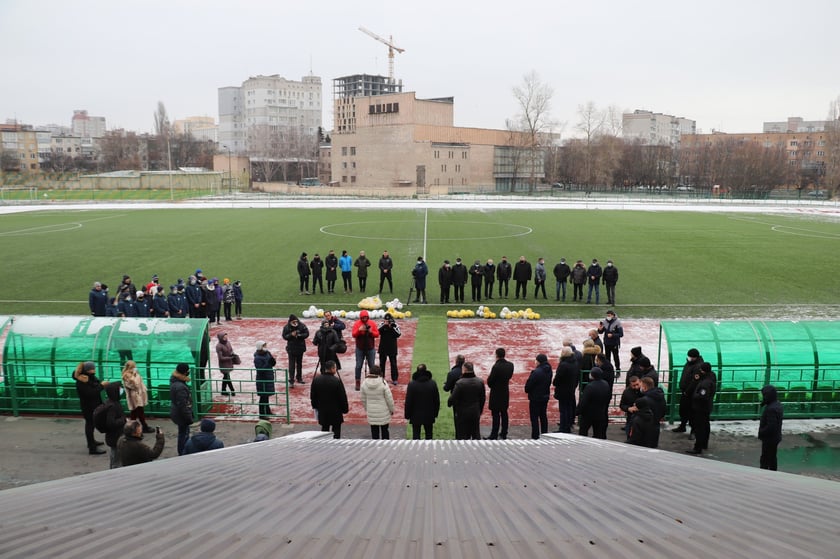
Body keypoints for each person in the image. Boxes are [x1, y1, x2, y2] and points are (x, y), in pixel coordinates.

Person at [73, 361, 107, 455]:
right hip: (88, 406)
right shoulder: (81, 381)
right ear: (88, 370)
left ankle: (91, 442)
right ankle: (92, 448)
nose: (94, 370)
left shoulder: (89, 377)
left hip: (93, 405)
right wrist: (102, 386)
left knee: (91, 425)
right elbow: (90, 393)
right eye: (93, 368)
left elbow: (94, 384)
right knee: (90, 425)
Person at [310, 360, 349, 438]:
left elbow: (313, 396)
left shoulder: (317, 380)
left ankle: (325, 446)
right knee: (336, 431)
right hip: (336, 411)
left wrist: (315, 406)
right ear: (332, 369)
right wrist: (345, 409)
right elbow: (342, 397)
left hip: (323, 410)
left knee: (324, 430)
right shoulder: (337, 381)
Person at [447, 362, 485, 440]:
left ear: (464, 370)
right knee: (475, 434)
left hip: (463, 412)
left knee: (462, 435)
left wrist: (450, 403)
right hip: (475, 411)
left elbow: (452, 398)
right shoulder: (480, 382)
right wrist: (479, 409)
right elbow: (482, 398)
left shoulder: (460, 383)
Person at [686, 362, 717, 455]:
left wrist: (695, 395)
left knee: (700, 428)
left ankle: (698, 447)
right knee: (705, 426)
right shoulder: (711, 377)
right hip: (706, 407)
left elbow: (702, 396)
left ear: (703, 371)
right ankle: (704, 444)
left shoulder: (705, 383)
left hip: (701, 408)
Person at [404, 364, 440, 440]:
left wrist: (407, 414)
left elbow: (408, 401)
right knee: (429, 435)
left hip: (415, 415)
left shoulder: (412, 384)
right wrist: (435, 413)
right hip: (429, 414)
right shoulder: (432, 383)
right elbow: (437, 400)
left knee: (416, 436)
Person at [673, 349, 704, 433]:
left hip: (691, 394)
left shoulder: (698, 366)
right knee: (683, 410)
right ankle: (682, 426)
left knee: (692, 412)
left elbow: (694, 381)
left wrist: (687, 391)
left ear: (695, 357)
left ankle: (693, 431)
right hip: (685, 392)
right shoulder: (689, 363)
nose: (689, 358)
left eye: (690, 357)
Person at [486, 347, 514, 440]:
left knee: (495, 414)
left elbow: (490, 381)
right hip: (505, 392)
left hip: (496, 393)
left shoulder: (496, 367)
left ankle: (494, 434)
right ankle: (504, 433)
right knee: (504, 413)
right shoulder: (510, 365)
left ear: (496, 355)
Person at [360, 365, 395, 439]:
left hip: (371, 411)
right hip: (383, 411)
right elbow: (389, 398)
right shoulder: (383, 382)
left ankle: (375, 448)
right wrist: (392, 410)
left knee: (374, 433)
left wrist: (367, 409)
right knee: (385, 431)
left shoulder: (364, 383)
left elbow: (363, 399)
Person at [577, 366, 611, 439]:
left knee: (583, 432)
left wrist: (577, 411)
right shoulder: (605, 384)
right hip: (601, 413)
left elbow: (584, 402)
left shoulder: (590, 387)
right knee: (599, 434)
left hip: (588, 414)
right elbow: (608, 396)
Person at [524, 353, 552, 439]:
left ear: (539, 361)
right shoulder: (549, 370)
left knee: (535, 418)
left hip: (535, 398)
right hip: (545, 396)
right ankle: (544, 434)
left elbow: (528, 386)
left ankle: (535, 436)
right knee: (543, 416)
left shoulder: (536, 372)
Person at [121, 360, 154, 434]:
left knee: (137, 412)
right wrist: (136, 374)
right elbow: (136, 385)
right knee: (136, 412)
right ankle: (135, 428)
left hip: (137, 395)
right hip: (135, 396)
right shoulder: (128, 376)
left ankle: (136, 427)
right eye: (134, 366)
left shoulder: (130, 374)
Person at [169, 362, 194, 456]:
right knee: (184, 434)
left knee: (182, 432)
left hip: (176, 412)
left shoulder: (175, 381)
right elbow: (183, 406)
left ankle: (182, 451)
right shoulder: (180, 387)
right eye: (187, 371)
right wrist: (189, 418)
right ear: (184, 373)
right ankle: (183, 452)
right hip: (181, 415)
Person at [553, 347, 579, 433]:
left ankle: (563, 428)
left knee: (563, 410)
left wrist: (555, 382)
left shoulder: (563, 364)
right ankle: (567, 426)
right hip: (571, 389)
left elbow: (558, 378)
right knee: (569, 408)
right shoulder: (575, 362)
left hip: (563, 390)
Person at [352, 309, 379, 391]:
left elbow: (377, 334)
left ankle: (373, 381)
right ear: (360, 318)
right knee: (358, 365)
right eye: (363, 318)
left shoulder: (372, 323)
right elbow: (353, 334)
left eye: (365, 317)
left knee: (372, 365)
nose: (364, 319)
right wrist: (359, 330)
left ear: (368, 317)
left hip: (370, 348)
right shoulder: (357, 324)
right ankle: (358, 381)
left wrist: (371, 332)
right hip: (360, 348)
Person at [758, 385, 784, 471]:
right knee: (772, 457)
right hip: (775, 437)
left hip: (769, 438)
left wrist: (762, 432)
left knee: (765, 459)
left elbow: (771, 426)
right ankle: (772, 473)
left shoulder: (771, 409)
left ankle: (765, 475)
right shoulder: (777, 405)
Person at [102, 382, 127, 469]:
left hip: (113, 436)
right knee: (116, 459)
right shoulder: (113, 406)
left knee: (115, 456)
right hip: (115, 436)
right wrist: (123, 420)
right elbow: (111, 423)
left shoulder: (110, 403)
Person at [282, 314, 309, 386]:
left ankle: (299, 378)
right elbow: (284, 336)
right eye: (293, 321)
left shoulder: (302, 325)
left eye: (296, 321)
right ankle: (291, 380)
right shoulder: (287, 327)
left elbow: (306, 334)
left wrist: (299, 335)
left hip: (300, 348)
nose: (295, 322)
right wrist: (291, 335)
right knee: (292, 365)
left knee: (299, 364)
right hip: (291, 349)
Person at [254, 341, 277, 418]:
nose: (265, 347)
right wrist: (268, 363)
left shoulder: (267, 353)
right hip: (262, 380)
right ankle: (262, 414)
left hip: (268, 377)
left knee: (266, 397)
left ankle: (267, 411)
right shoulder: (257, 358)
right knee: (263, 397)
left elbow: (271, 362)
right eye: (264, 346)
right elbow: (260, 370)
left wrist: (273, 362)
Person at [378, 313, 402, 385]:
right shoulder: (381, 324)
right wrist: (384, 326)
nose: (386, 322)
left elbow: (398, 334)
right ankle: (381, 377)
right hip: (383, 347)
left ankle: (394, 378)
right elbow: (378, 331)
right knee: (382, 363)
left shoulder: (395, 325)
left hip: (392, 348)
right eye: (385, 320)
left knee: (393, 363)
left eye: (388, 321)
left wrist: (391, 327)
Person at [215, 332, 237, 396]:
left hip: (229, 362)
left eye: (226, 337)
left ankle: (223, 390)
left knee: (226, 377)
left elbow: (231, 350)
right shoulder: (218, 346)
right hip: (223, 364)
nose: (225, 338)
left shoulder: (228, 343)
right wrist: (230, 357)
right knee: (227, 377)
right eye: (224, 337)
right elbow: (221, 358)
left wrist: (233, 354)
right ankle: (232, 390)